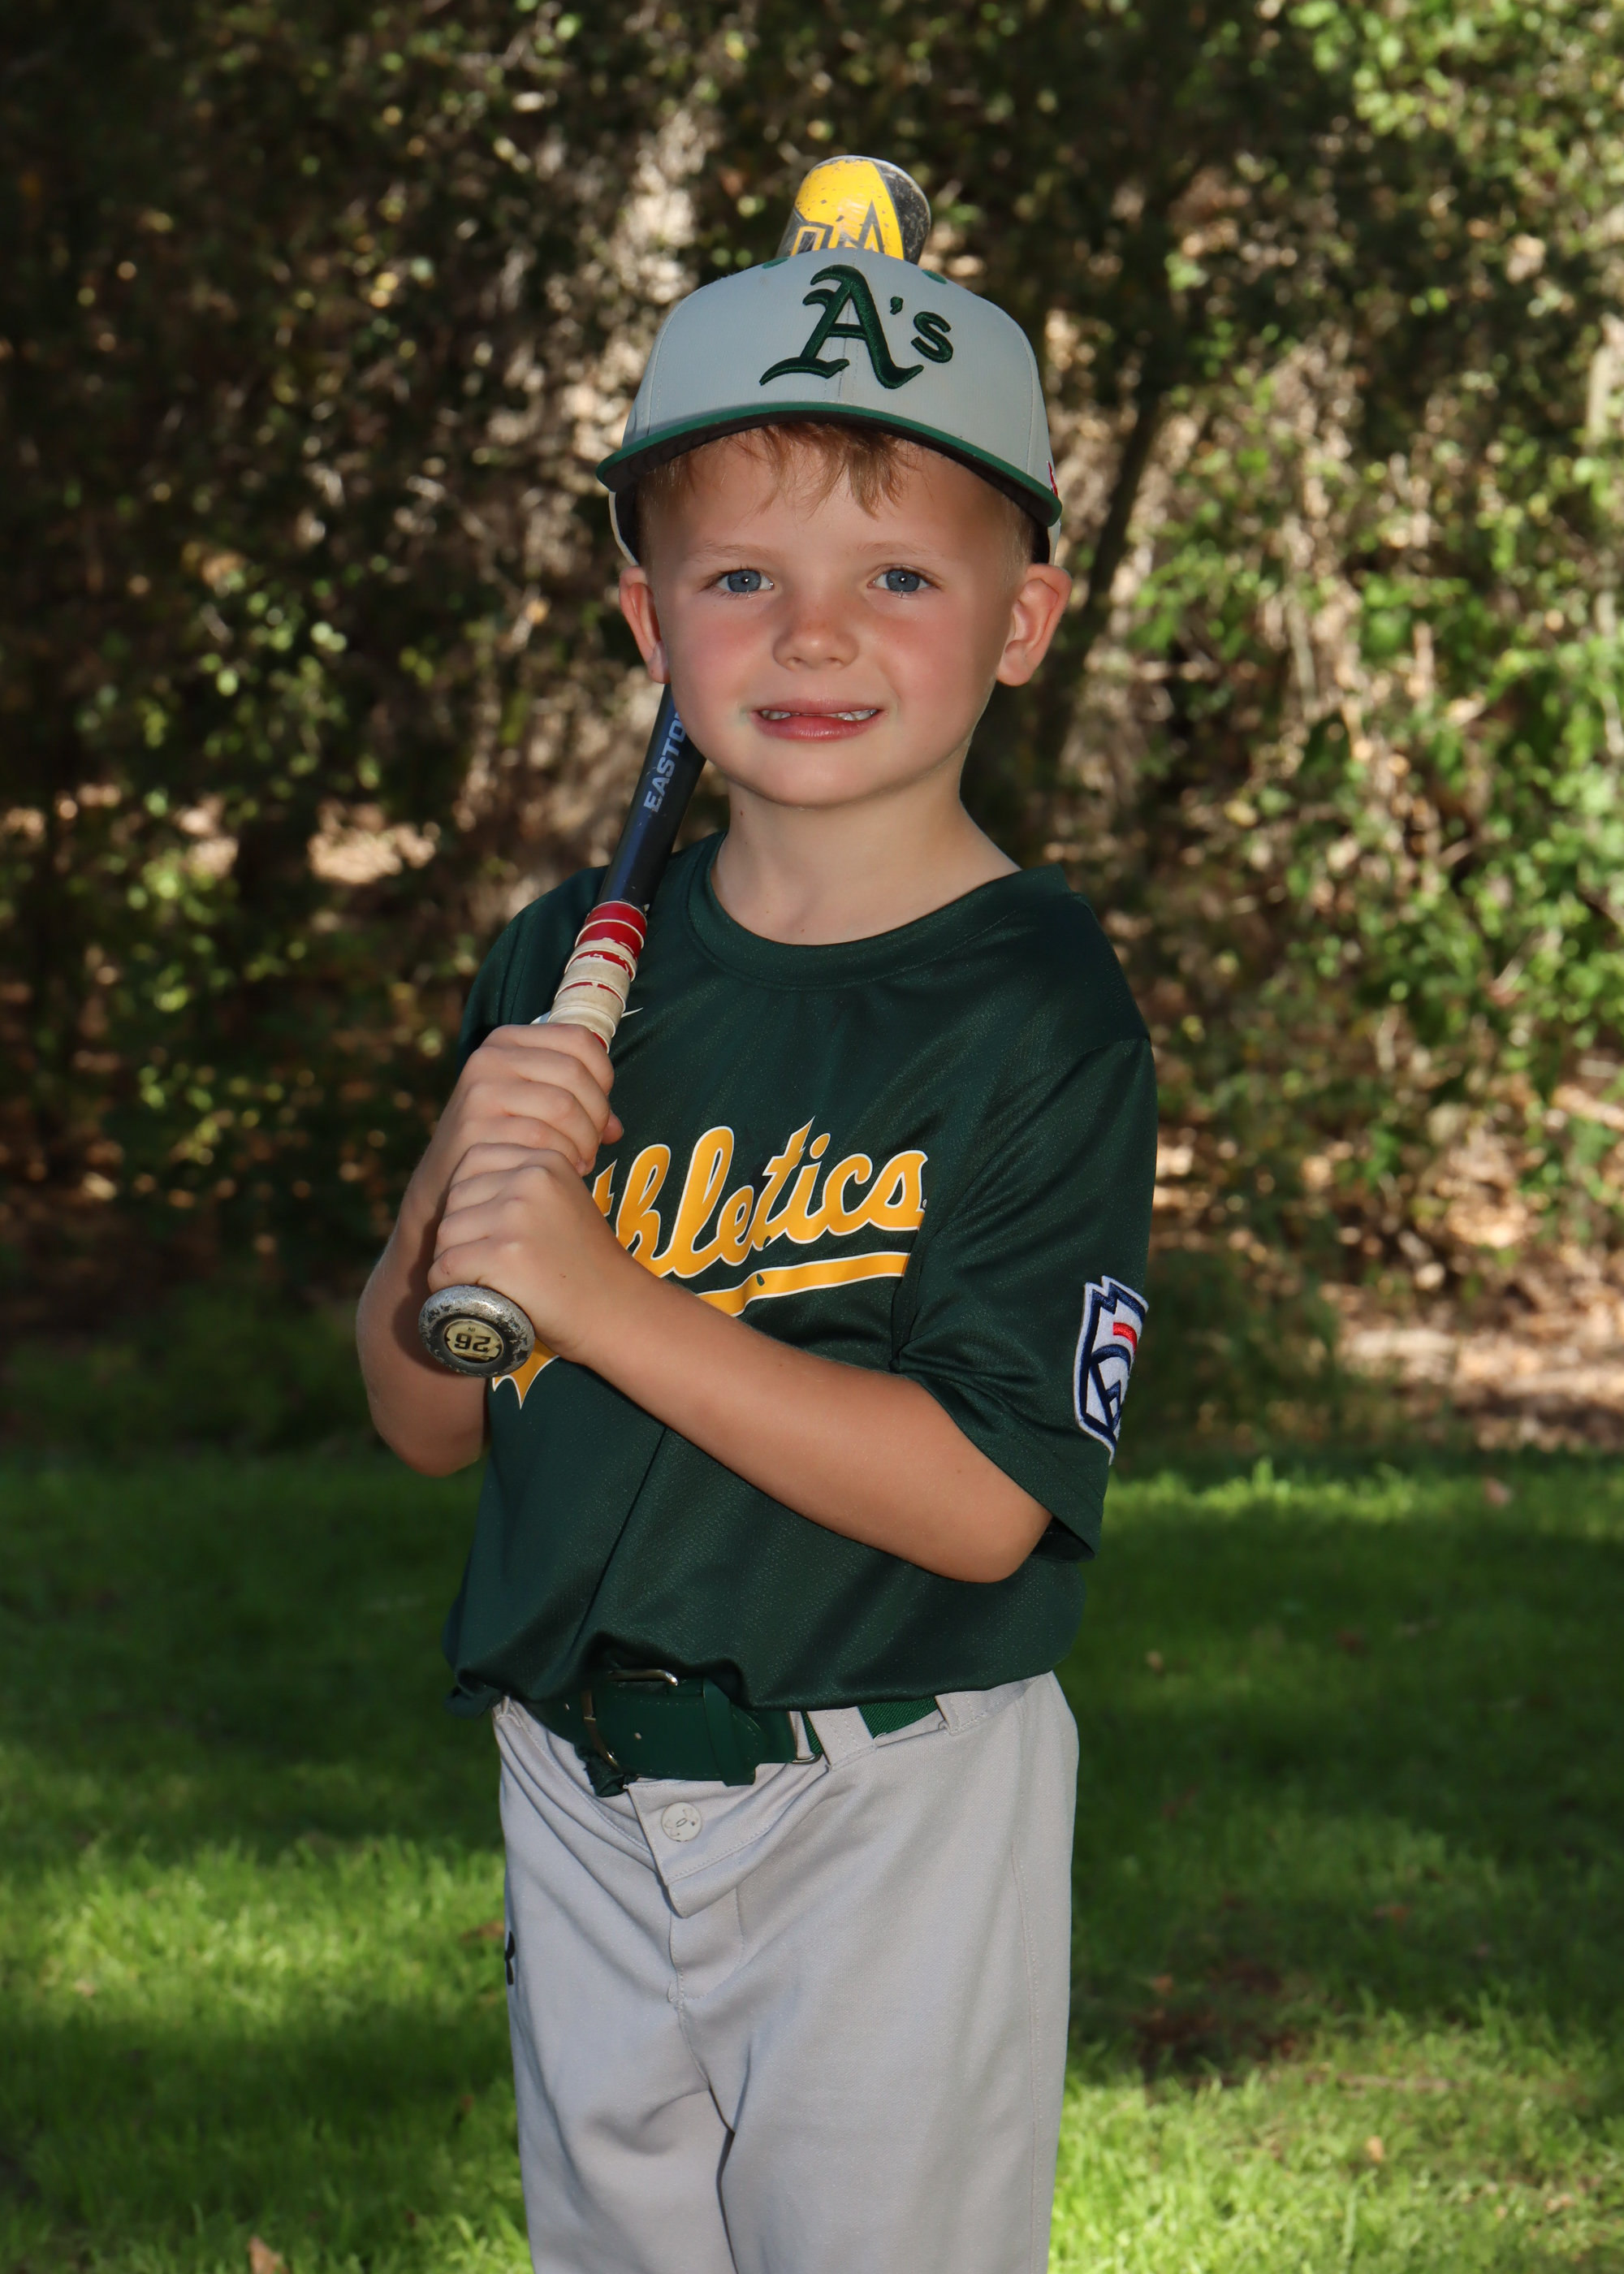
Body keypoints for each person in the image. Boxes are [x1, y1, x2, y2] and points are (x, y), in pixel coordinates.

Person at [356, 229, 1156, 2274]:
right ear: (649, 617)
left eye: (897, 576)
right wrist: (466, 1163)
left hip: (888, 1791)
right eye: (740, 578)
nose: (813, 633)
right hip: (578, 1777)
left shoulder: (1035, 1006)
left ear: (1023, 618)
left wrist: (604, 1295)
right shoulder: (564, 964)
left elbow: (983, 1499)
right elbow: (422, 1412)